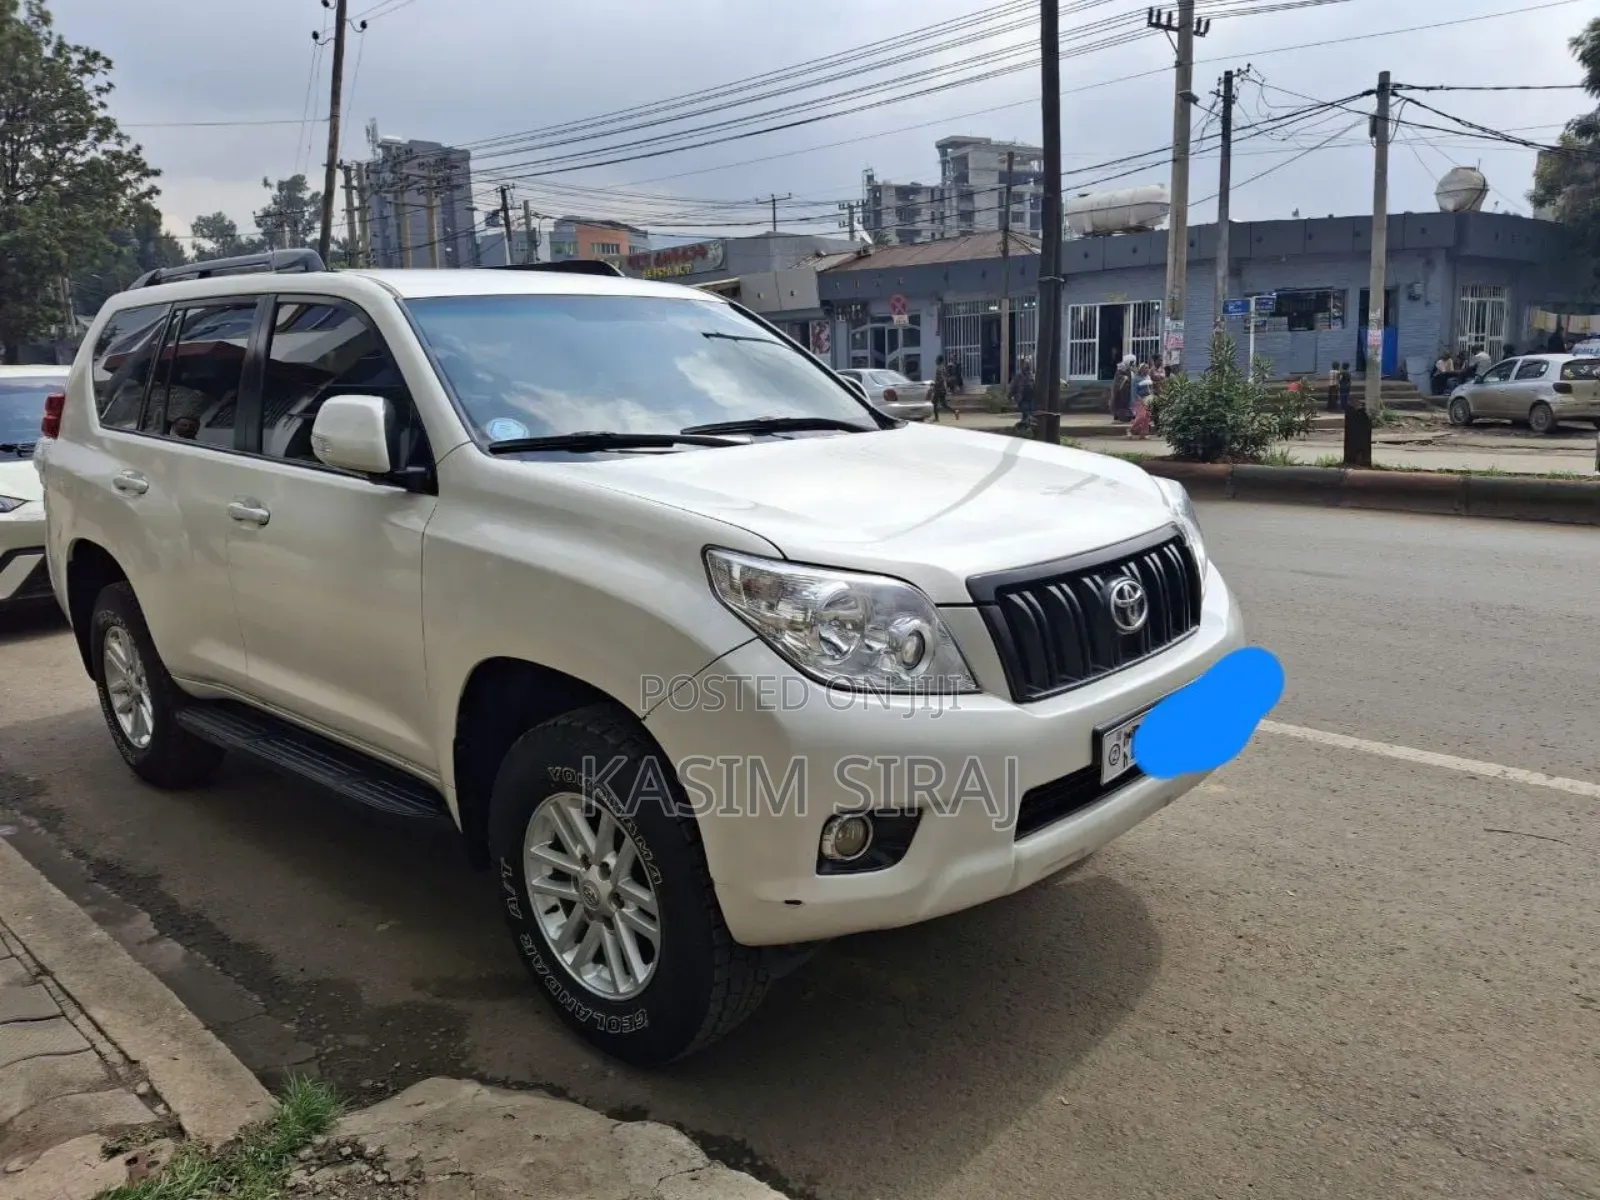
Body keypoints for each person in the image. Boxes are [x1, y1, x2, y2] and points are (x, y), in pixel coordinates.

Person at [1128, 363, 1154, 439]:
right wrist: (1137, 399)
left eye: (1148, 368)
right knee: (1141, 416)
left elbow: (1150, 388)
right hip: (1139, 398)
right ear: (1141, 369)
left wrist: (1151, 395)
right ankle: (1131, 430)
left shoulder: (1148, 377)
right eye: (1145, 368)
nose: (1147, 369)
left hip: (1148, 398)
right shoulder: (1136, 378)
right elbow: (1134, 391)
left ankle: (1144, 433)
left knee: (1147, 416)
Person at [1009, 357, 1036, 430]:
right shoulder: (1018, 375)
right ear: (1022, 365)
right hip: (1022, 398)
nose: (1027, 365)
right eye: (1026, 364)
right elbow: (1013, 386)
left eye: (1028, 363)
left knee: (1030, 413)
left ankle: (1024, 429)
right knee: (1026, 413)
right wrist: (1010, 396)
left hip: (1031, 398)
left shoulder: (1031, 374)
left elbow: (1034, 384)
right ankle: (1025, 428)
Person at [929, 355, 956, 422]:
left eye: (936, 359)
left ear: (939, 360)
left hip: (939, 389)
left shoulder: (939, 368)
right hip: (943, 389)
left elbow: (941, 378)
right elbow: (946, 377)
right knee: (944, 404)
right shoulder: (943, 367)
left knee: (934, 403)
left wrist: (935, 384)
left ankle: (936, 418)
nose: (935, 361)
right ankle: (955, 411)